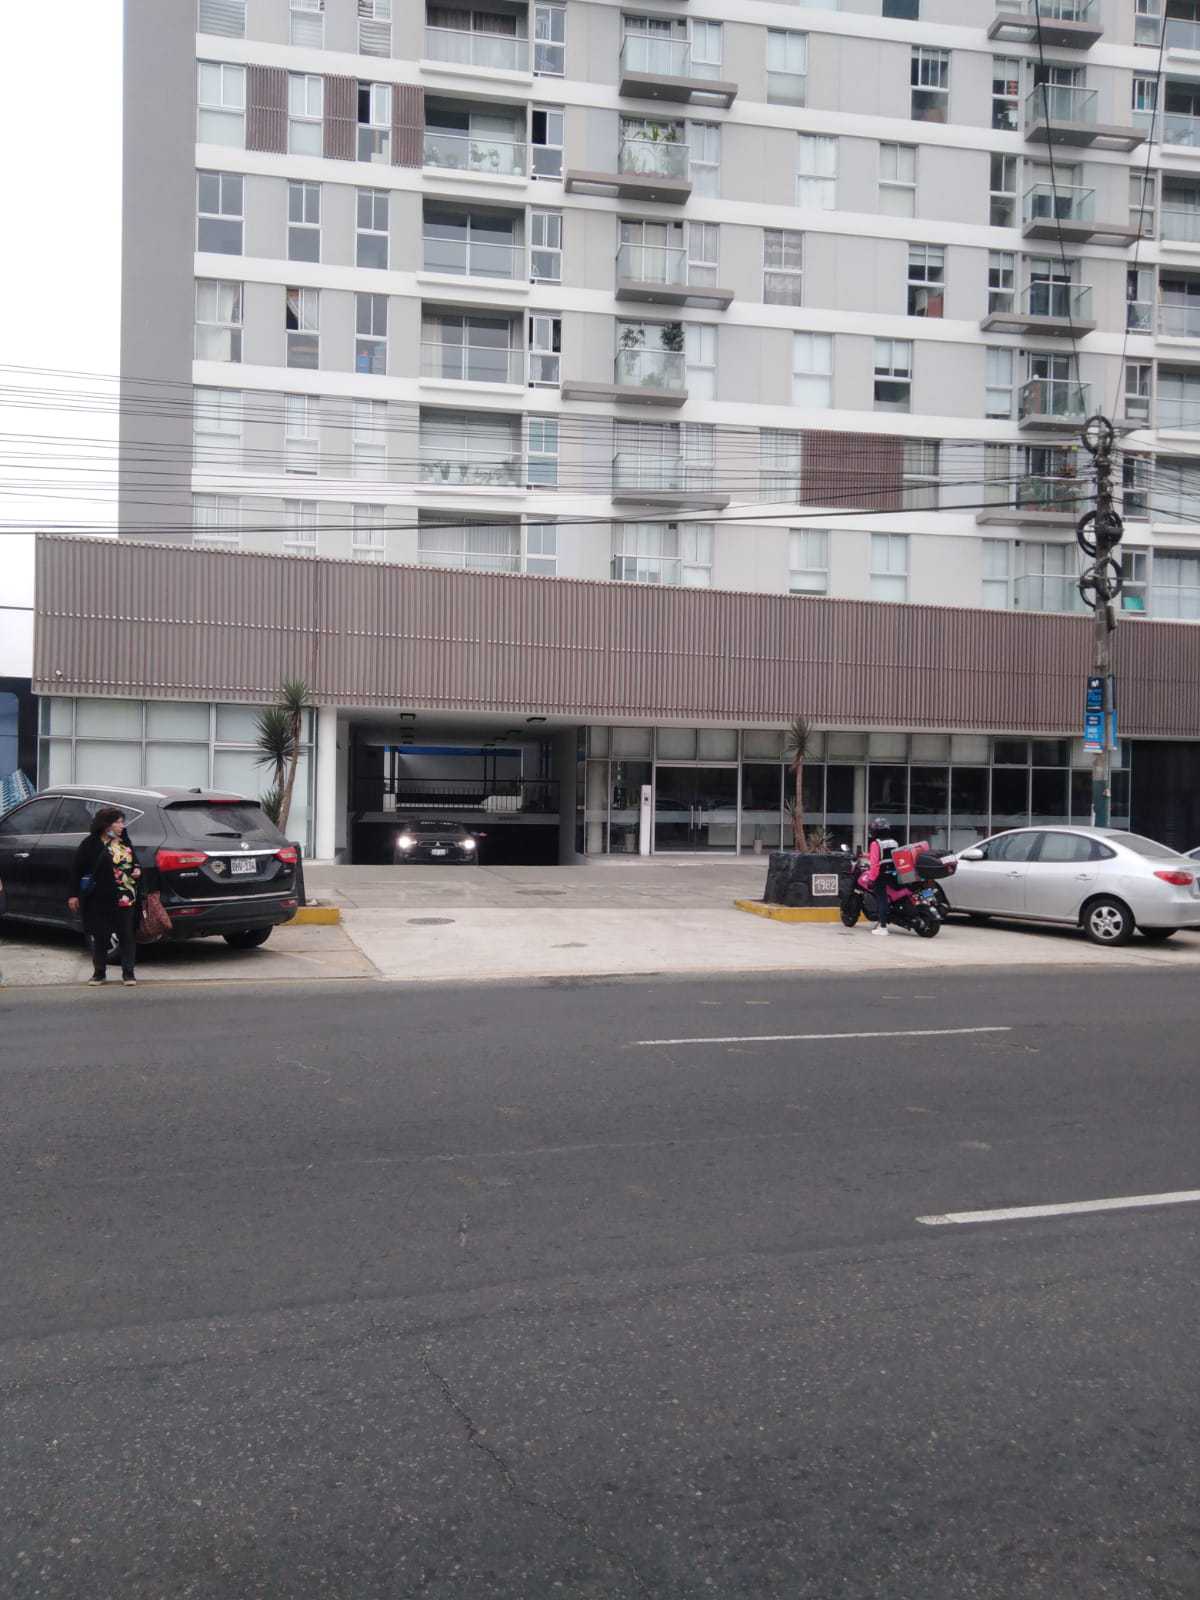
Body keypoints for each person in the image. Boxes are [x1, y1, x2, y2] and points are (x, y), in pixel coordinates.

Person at [67, 806, 143, 985]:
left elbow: (135, 862)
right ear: (106, 824)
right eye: (118, 822)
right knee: (100, 936)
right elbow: (77, 870)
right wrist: (73, 895)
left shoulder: (124, 841)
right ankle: (99, 973)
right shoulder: (90, 843)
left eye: (122, 822)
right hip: (99, 898)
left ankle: (129, 973)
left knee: (126, 935)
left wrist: (137, 870)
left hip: (125, 896)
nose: (122, 826)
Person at [860, 816, 899, 937]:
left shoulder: (876, 843)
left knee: (881, 900)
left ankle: (883, 927)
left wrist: (871, 879)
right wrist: (865, 855)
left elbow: (875, 864)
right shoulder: (894, 842)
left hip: (881, 875)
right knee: (888, 898)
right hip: (893, 874)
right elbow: (886, 856)